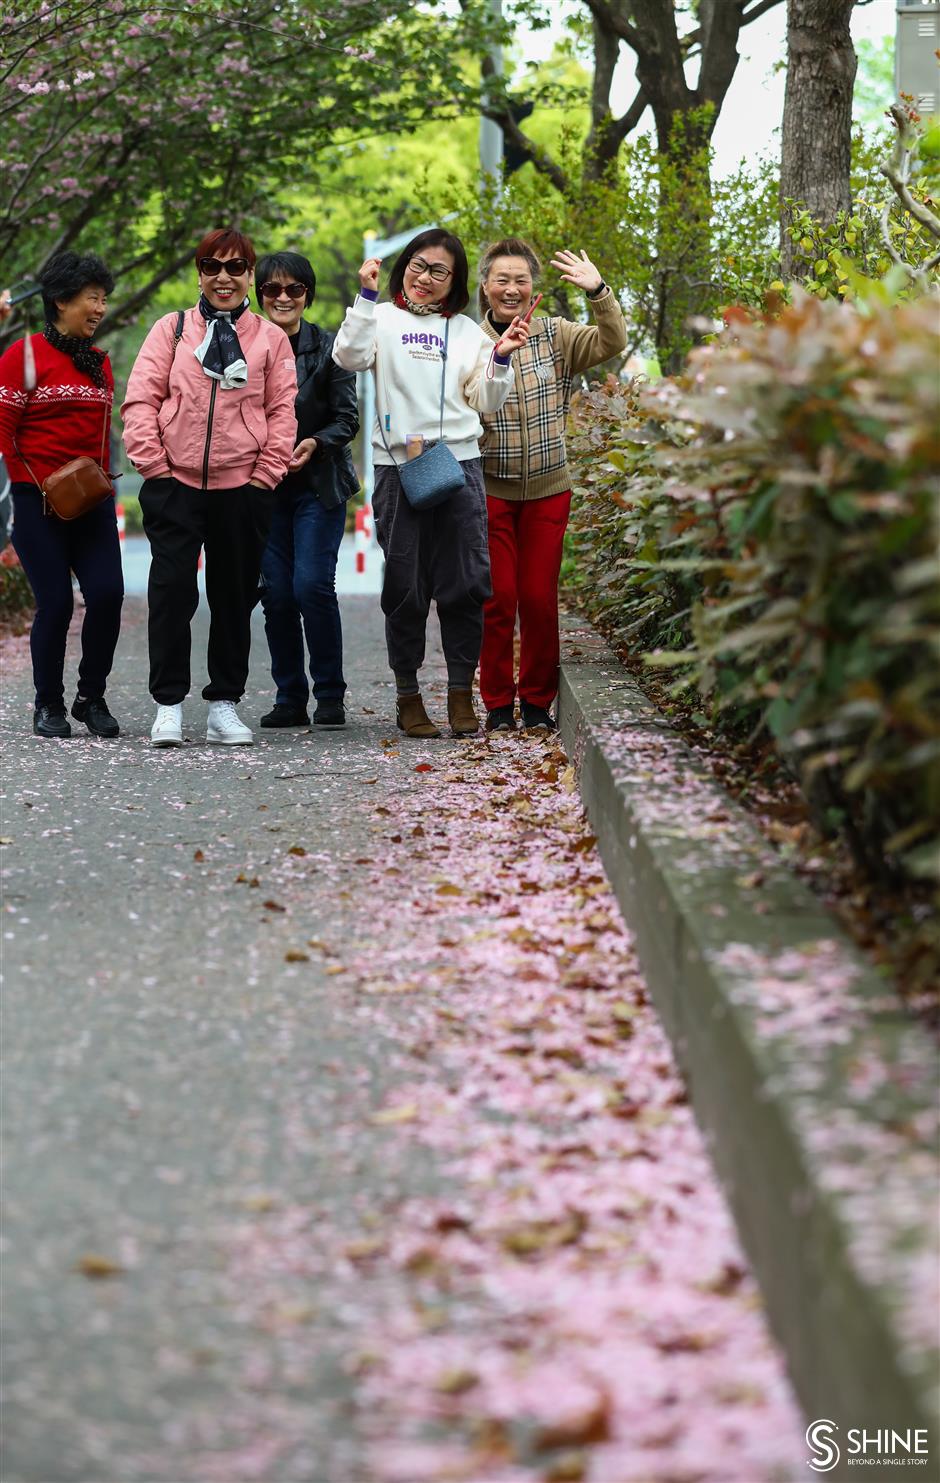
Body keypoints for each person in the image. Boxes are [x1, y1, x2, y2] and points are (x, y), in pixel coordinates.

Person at [332, 228, 529, 738]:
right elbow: (348, 358)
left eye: (439, 271)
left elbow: (485, 400)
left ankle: (461, 692)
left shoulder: (468, 333)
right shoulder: (379, 317)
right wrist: (365, 297)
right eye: (418, 265)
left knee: (466, 583)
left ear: (455, 281)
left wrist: (501, 356)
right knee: (405, 586)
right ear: (405, 268)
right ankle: (408, 696)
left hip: (459, 466)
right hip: (398, 469)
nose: (425, 278)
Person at [122, 228, 297, 747]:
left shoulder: (270, 339)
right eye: (213, 266)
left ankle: (224, 704)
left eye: (236, 268)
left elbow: (283, 411)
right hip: (174, 484)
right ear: (199, 272)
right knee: (172, 592)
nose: (224, 277)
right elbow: (140, 401)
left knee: (234, 596)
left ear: (250, 276)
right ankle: (168, 705)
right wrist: (153, 466)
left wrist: (266, 475)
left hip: (243, 487)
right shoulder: (171, 329)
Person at [477, 239, 627, 732]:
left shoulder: (555, 335)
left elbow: (612, 342)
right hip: (489, 489)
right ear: (485, 287)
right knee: (498, 598)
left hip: (547, 489)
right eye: (502, 279)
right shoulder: (469, 341)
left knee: (538, 599)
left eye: (521, 279)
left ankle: (537, 701)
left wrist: (598, 291)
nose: (512, 289)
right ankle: (498, 703)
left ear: (533, 286)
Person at [0, 251, 124, 738]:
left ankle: (90, 697)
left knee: (108, 595)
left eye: (103, 299)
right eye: (92, 298)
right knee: (56, 603)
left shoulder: (99, 363)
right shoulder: (22, 357)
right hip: (37, 502)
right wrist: (39, 482)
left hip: (91, 500)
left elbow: (99, 434)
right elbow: (3, 434)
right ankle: (47, 704)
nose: (99, 308)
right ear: (60, 300)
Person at [254, 251, 359, 730]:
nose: (283, 297)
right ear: (260, 296)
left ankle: (330, 695)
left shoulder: (331, 347)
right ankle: (289, 697)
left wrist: (315, 443)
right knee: (276, 593)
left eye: (293, 289)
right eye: (273, 289)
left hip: (319, 484)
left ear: (307, 295)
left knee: (311, 585)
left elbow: (347, 419)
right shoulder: (243, 345)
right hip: (263, 488)